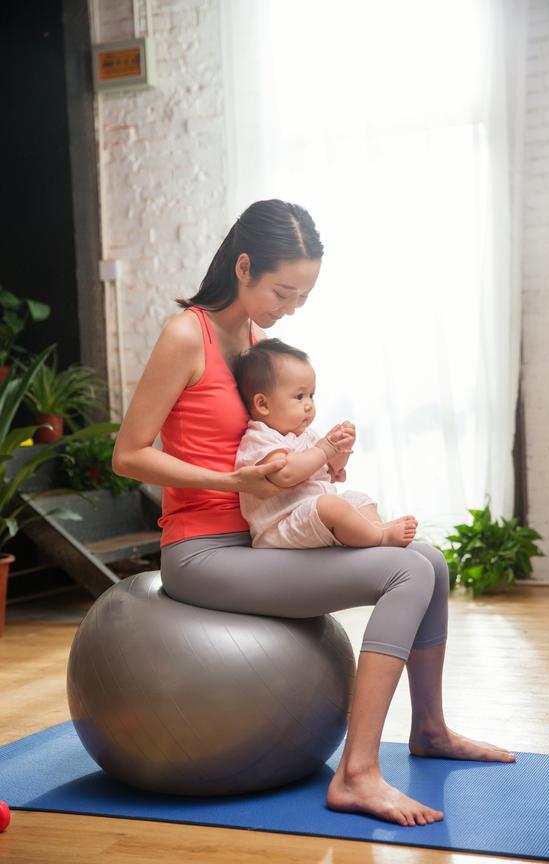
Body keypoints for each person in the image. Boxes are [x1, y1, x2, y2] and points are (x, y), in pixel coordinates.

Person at [112, 198, 516, 828]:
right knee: (404, 573)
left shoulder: (256, 340)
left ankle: (430, 729)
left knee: (428, 560)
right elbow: (128, 455)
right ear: (243, 267)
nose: (290, 308)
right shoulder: (185, 335)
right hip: (203, 553)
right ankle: (357, 774)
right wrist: (232, 479)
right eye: (283, 291)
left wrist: (325, 458)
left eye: (302, 296)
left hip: (259, 539)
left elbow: (277, 452)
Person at [233, 337, 418, 549]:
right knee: (331, 505)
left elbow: (330, 471)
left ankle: (375, 527)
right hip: (280, 527)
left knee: (358, 499)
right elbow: (284, 475)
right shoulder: (259, 437)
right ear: (263, 404)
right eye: (299, 396)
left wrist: (341, 449)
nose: (309, 405)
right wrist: (325, 448)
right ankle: (380, 538)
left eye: (312, 395)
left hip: (311, 515)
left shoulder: (305, 435)